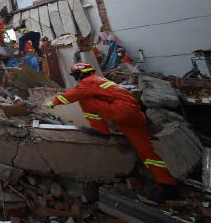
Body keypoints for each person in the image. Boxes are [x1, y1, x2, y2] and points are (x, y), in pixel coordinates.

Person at [45, 63, 178, 202]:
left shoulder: (88, 82)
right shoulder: (101, 80)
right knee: (147, 152)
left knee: (86, 101)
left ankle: (101, 131)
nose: (76, 79)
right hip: (135, 115)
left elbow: (72, 95)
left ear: (80, 74)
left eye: (76, 76)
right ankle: (168, 186)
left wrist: (52, 102)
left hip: (122, 112)